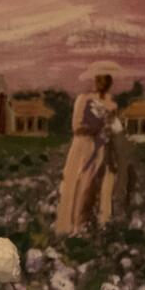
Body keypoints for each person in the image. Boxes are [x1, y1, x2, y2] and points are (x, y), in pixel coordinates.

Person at [53, 60, 129, 236]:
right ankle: (76, 225)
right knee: (83, 184)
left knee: (103, 185)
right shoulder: (84, 99)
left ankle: (98, 223)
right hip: (85, 147)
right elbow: (77, 126)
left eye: (107, 80)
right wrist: (98, 127)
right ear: (95, 81)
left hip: (104, 147)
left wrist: (111, 129)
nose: (103, 83)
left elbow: (115, 125)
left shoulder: (112, 104)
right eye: (100, 80)